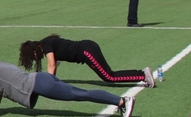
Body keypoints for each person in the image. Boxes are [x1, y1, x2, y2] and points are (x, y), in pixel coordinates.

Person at [0, 61, 132, 117]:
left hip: (41, 84)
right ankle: (118, 101)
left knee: (80, 95)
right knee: (79, 94)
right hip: (41, 80)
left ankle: (121, 101)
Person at [18, 35, 157, 87]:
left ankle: (143, 75)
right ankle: (143, 74)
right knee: (109, 75)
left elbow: (52, 65)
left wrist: (49, 84)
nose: (35, 59)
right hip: (88, 47)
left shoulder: (46, 45)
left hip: (86, 52)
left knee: (109, 76)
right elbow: (55, 65)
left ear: (35, 51)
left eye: (33, 57)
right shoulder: (46, 44)